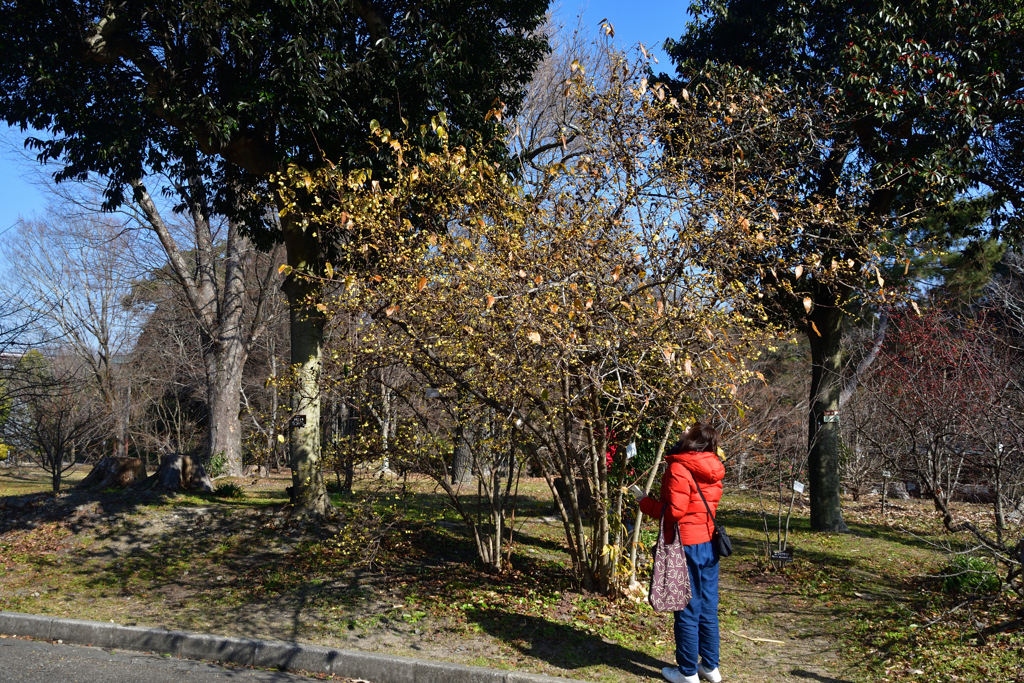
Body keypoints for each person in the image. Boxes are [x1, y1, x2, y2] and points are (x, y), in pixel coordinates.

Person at [634, 422, 725, 683]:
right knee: (707, 607)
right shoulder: (713, 466)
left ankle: (687, 672)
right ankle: (710, 666)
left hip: (685, 545)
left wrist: (645, 503)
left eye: (688, 429)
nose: (683, 429)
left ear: (693, 439)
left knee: (685, 607)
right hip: (708, 542)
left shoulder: (679, 466)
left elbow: (675, 511)